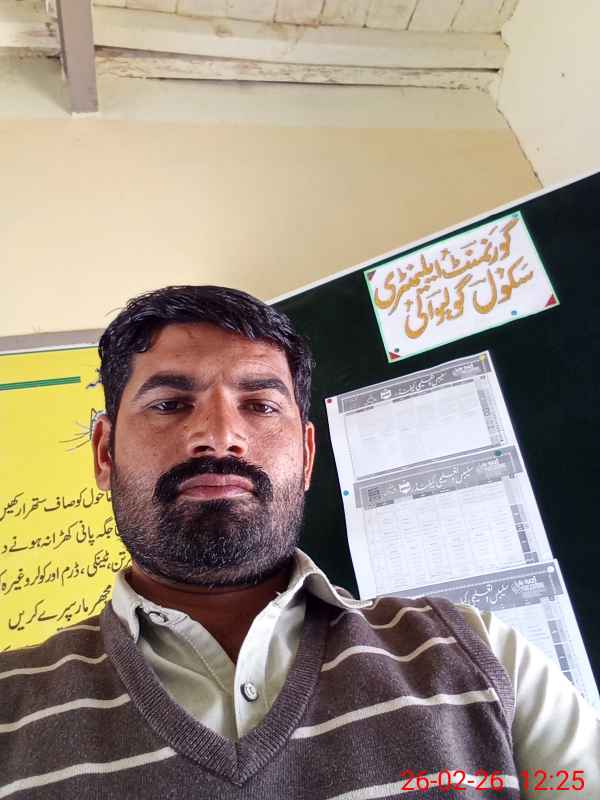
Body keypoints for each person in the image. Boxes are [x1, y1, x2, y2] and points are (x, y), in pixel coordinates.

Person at [1, 285, 598, 800]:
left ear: (308, 456)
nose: (219, 436)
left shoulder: (483, 655)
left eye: (260, 405)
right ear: (104, 454)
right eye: (170, 404)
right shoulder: (10, 705)